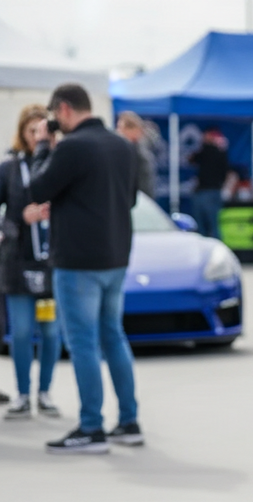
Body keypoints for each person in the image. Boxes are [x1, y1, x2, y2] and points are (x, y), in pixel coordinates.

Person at [28, 83, 141, 454]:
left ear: (62, 109)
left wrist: (43, 145)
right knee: (114, 336)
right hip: (115, 256)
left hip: (78, 262)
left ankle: (91, 426)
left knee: (83, 344)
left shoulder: (72, 147)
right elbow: (131, 198)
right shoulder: (121, 144)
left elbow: (38, 187)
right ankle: (128, 421)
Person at [0, 104, 62, 419]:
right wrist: (18, 222)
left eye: (44, 132)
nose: (38, 137)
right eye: (32, 131)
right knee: (22, 332)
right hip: (17, 264)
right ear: (23, 133)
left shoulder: (61, 164)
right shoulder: (9, 168)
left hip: (50, 267)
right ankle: (22, 395)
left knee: (51, 333)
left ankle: (45, 392)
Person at [189, 127, 229, 238]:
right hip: (214, 190)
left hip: (206, 191)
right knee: (213, 225)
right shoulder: (220, 152)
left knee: (203, 225)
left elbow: (192, 158)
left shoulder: (207, 151)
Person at [115, 111, 155, 199]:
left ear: (133, 130)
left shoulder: (137, 152)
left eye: (120, 128)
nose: (118, 132)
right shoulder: (140, 148)